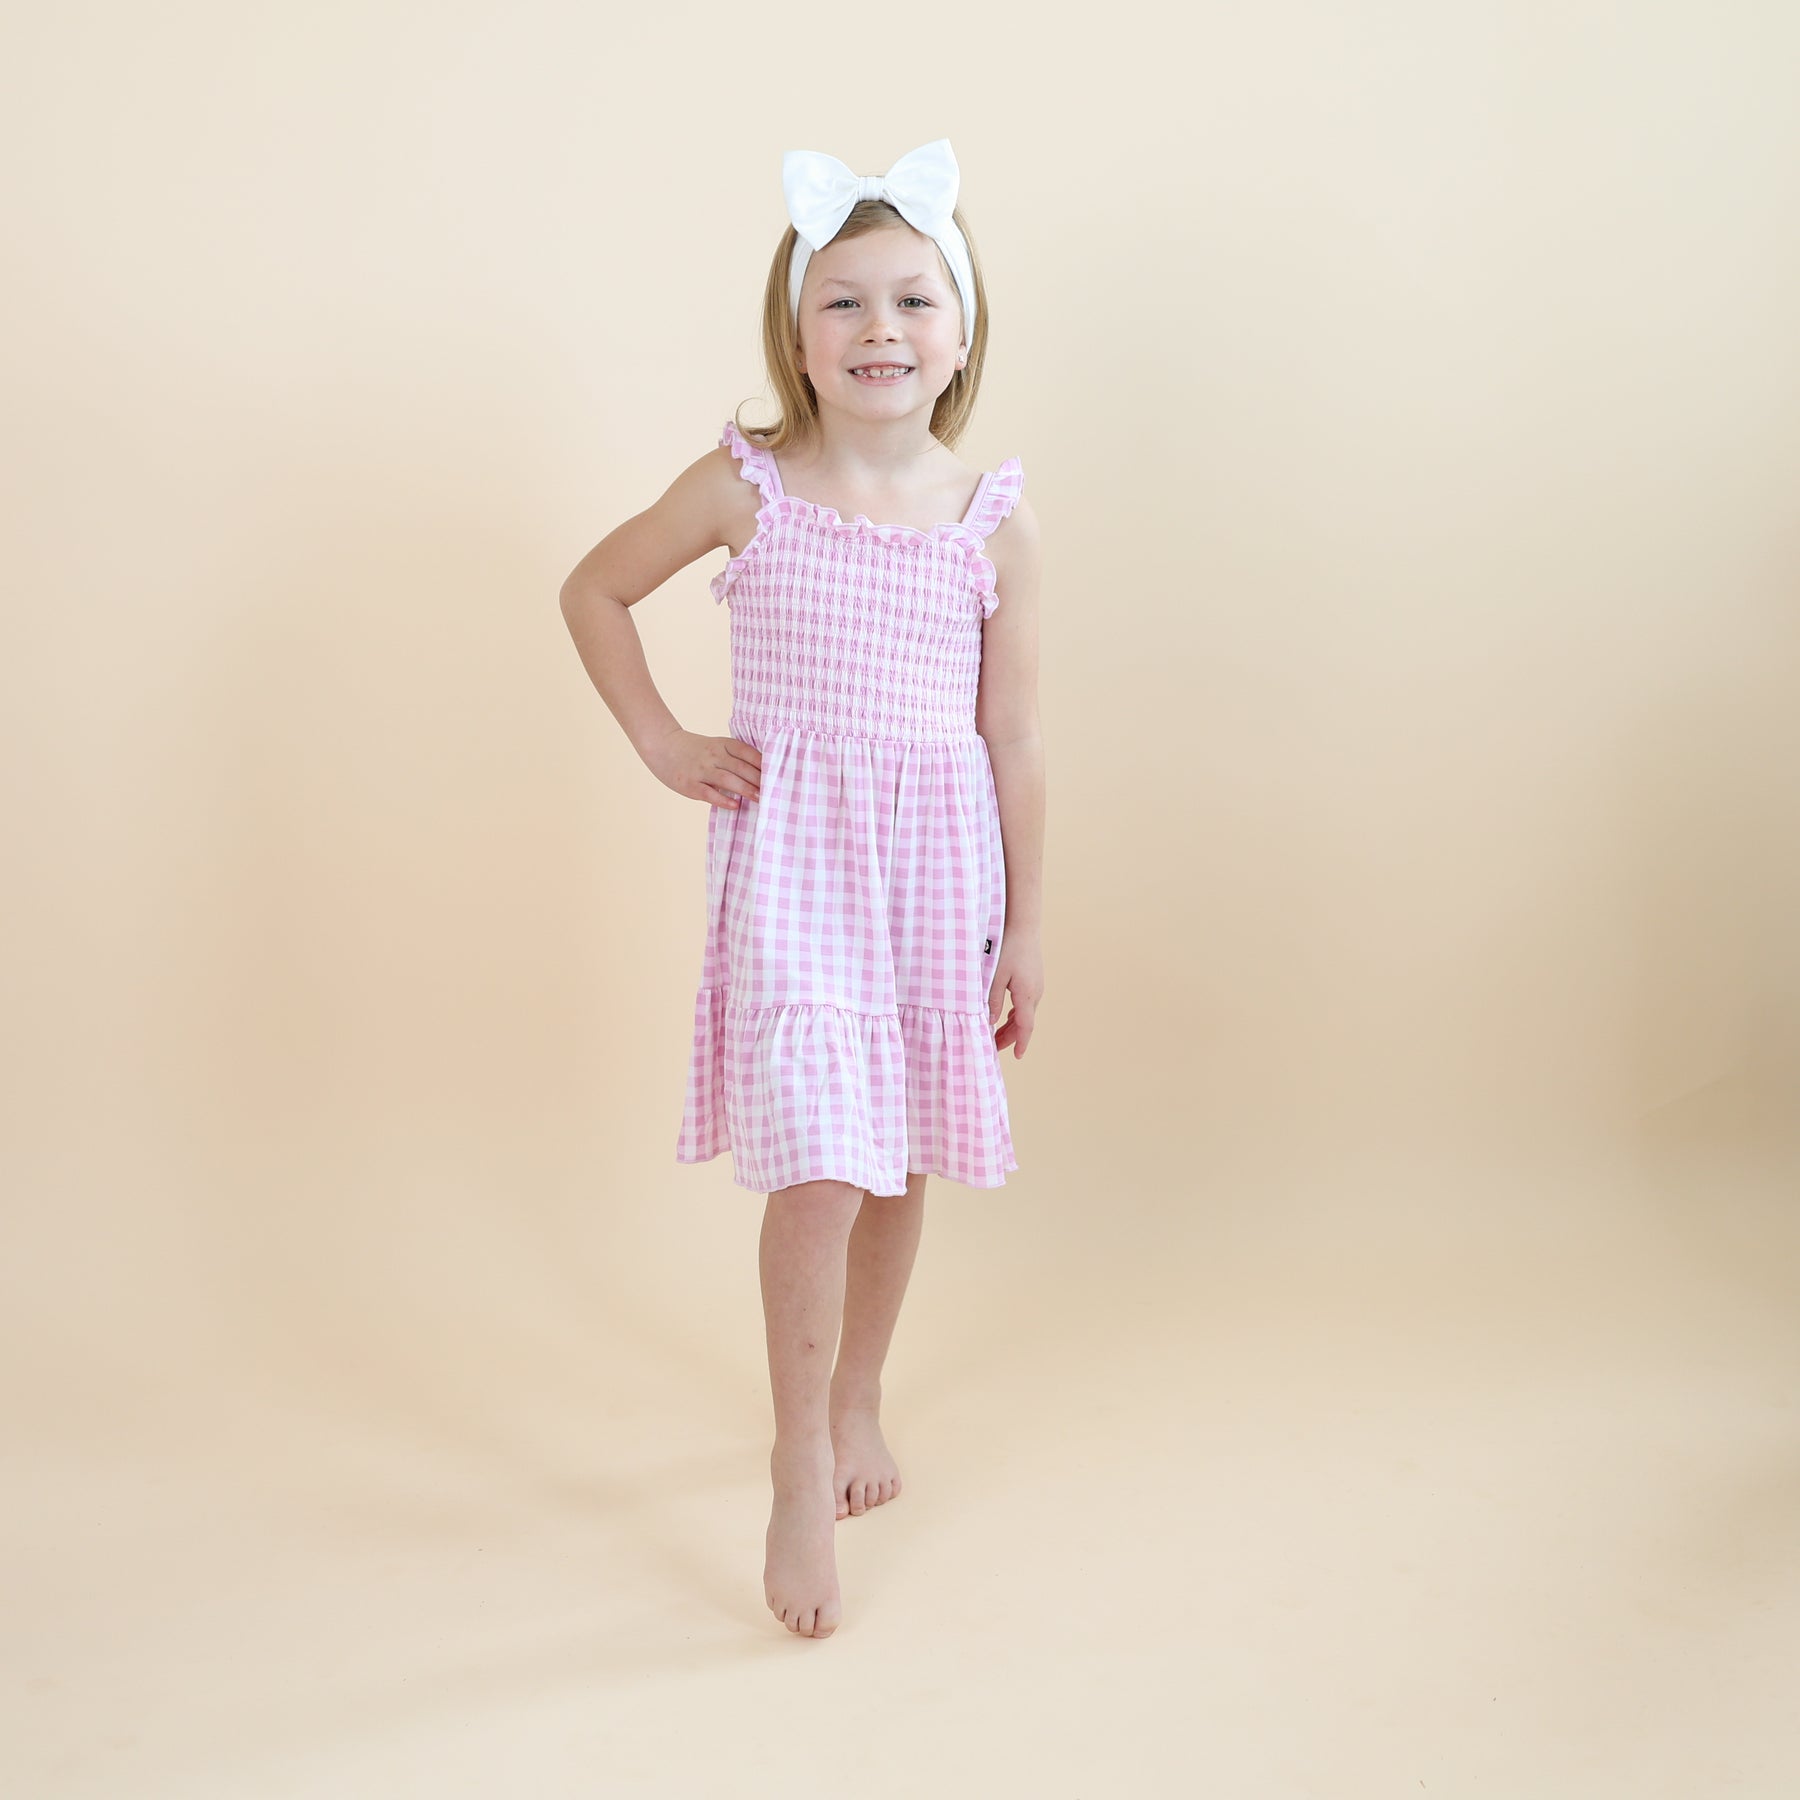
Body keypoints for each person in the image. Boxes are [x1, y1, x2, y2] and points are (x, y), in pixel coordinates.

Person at [559, 139, 1045, 1639]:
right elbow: (594, 587)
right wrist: (658, 738)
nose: (880, 329)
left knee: (895, 1158)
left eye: (913, 300)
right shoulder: (743, 489)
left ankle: (858, 1396)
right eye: (844, 301)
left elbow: (1013, 735)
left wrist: (1026, 920)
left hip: (934, 869)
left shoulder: (990, 520)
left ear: (960, 333)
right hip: (799, 870)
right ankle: (791, 1462)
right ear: (799, 329)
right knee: (821, 1163)